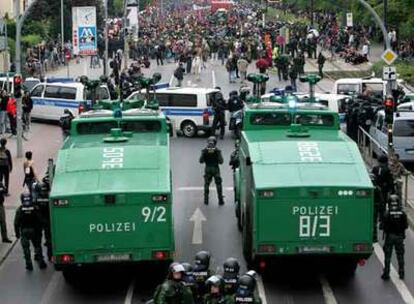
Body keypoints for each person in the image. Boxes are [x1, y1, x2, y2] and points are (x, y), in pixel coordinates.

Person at [14, 191, 47, 271]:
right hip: (34, 231)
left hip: (24, 231)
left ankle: (29, 264)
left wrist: (17, 234)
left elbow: (16, 223)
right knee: (37, 247)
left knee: (26, 249)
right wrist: (41, 229)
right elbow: (41, 220)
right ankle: (41, 263)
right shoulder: (35, 208)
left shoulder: (20, 209)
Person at [381, 195, 408, 280]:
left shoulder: (387, 213)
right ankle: (401, 272)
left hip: (390, 237)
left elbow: (383, 226)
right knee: (400, 255)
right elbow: (406, 226)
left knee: (388, 256)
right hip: (399, 236)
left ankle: (386, 273)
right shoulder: (402, 213)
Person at [199, 137, 224, 206]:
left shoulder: (204, 151)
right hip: (215, 168)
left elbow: (201, 161)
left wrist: (204, 154)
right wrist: (218, 153)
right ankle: (220, 200)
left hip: (207, 168)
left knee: (206, 184)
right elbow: (221, 161)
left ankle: (206, 200)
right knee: (218, 184)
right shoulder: (217, 151)